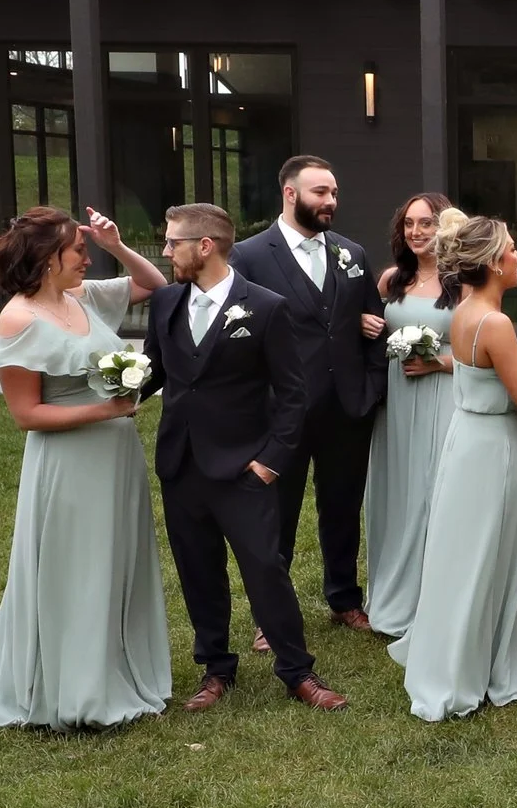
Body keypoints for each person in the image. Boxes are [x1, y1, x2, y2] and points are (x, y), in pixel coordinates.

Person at [0, 206, 171, 730]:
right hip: (70, 465)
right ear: (47, 257)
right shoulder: (18, 319)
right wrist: (109, 409)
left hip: (115, 458)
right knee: (76, 568)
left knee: (114, 559)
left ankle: (113, 667)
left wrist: (118, 244)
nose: (87, 256)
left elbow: (154, 283)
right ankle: (72, 689)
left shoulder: (81, 297)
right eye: (79, 249)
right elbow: (26, 414)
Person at [139, 203, 347, 712]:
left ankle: (297, 670)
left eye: (173, 243)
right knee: (197, 569)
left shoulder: (267, 307)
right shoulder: (165, 302)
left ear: (204, 246)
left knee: (264, 568)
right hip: (181, 465)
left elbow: (293, 395)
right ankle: (215, 668)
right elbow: (154, 371)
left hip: (243, 468)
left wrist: (270, 461)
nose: (166, 252)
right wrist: (108, 392)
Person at [390, 214, 517, 721]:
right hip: (494, 449)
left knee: (461, 553)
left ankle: (460, 652)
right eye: (512, 250)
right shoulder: (494, 322)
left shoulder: (467, 309)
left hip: (465, 440)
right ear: (493, 262)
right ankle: (481, 664)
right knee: (491, 554)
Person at [230, 156, 387, 634]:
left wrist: (372, 386)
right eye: (321, 192)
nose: (331, 202)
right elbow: (237, 330)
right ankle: (269, 617)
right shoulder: (250, 256)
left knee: (342, 508)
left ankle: (343, 598)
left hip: (346, 406)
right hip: (283, 411)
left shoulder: (352, 253)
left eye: (334, 193)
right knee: (277, 515)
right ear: (290, 193)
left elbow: (374, 324)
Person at [364, 192, 455, 639]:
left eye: (427, 223)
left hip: (444, 396)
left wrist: (439, 362)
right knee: (397, 489)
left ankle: (434, 594)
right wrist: (367, 325)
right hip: (397, 401)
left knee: (433, 490)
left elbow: (487, 349)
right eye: (409, 224)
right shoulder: (391, 281)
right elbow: (366, 329)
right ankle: (393, 592)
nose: (416, 233)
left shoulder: (465, 282)